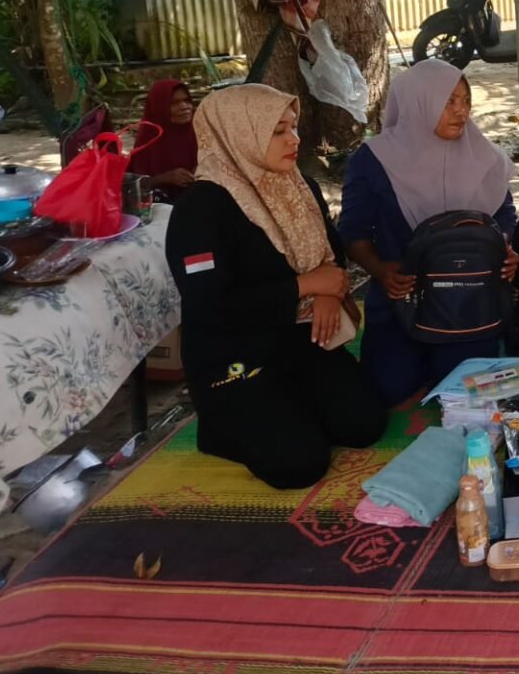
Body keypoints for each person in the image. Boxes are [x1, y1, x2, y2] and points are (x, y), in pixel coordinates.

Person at [165, 85, 387, 489]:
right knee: (299, 465)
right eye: (278, 131)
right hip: (234, 358)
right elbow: (211, 307)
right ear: (239, 133)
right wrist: (305, 286)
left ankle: (287, 408)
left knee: (364, 424)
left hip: (299, 339)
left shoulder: (299, 186)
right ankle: (222, 426)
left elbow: (331, 251)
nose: (294, 139)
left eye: (294, 127)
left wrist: (328, 291)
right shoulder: (200, 209)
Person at [340, 60, 519, 405]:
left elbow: (504, 216)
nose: (461, 111)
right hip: (402, 297)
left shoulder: (485, 156)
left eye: (465, 101)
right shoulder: (375, 159)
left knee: (462, 393)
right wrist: (380, 270)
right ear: (418, 102)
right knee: (389, 389)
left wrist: (505, 249)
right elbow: (352, 231)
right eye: (448, 101)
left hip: (467, 299)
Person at [133, 79, 199, 201]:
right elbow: (135, 184)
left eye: (186, 100)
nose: (184, 107)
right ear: (159, 107)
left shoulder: (199, 131)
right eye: (175, 103)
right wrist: (166, 177)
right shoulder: (149, 140)